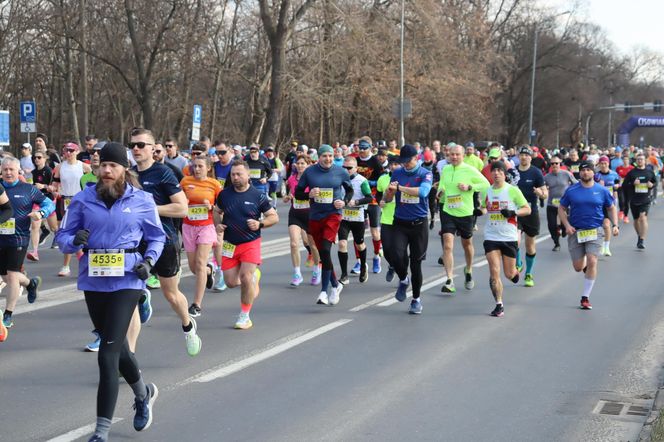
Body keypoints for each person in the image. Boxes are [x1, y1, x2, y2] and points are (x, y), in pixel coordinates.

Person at [56, 142, 164, 442]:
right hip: (94, 279)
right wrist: (73, 241)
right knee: (116, 347)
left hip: (128, 279)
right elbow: (63, 237)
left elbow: (157, 238)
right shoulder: (82, 199)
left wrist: (149, 262)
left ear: (123, 170)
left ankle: (100, 432)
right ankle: (144, 393)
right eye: (102, 165)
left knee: (107, 355)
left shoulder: (142, 200)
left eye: (112, 166)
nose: (106, 170)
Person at [128, 128, 202, 356]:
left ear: (153, 148)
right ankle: (128, 356)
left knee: (171, 294)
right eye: (133, 145)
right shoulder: (128, 175)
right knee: (129, 297)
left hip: (163, 240)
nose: (137, 149)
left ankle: (188, 326)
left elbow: (182, 208)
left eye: (141, 145)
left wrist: (148, 210)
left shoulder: (164, 173)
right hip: (134, 242)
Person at [214, 160, 278, 329]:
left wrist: (260, 224)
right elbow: (216, 211)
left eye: (239, 174)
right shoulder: (224, 194)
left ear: (248, 175)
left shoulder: (258, 196)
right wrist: (217, 225)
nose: (235, 177)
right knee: (230, 282)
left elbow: (274, 217)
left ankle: (244, 316)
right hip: (229, 244)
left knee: (245, 277)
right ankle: (255, 276)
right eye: (233, 174)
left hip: (251, 242)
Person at [295, 144, 353, 306]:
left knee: (326, 250)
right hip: (315, 216)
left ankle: (323, 292)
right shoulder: (310, 172)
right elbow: (298, 193)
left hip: (333, 215)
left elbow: (349, 191)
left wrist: (344, 202)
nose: (328, 159)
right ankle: (335, 286)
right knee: (323, 254)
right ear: (318, 158)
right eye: (324, 156)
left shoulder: (340, 171)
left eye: (330, 156)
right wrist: (309, 194)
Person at [1, 157, 54, 331]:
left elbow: (48, 203)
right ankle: (31, 284)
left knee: (13, 274)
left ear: (19, 171)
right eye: (5, 169)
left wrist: (41, 213)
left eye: (12, 169)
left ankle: (8, 315)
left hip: (19, 238)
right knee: (6, 277)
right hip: (1, 238)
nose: (8, 172)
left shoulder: (28, 189)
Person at [558, 160, 619, 310]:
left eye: (588, 170)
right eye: (583, 170)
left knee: (592, 261)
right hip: (576, 231)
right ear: (580, 173)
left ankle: (585, 297)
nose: (585, 173)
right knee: (578, 267)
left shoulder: (602, 190)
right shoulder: (572, 190)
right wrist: (567, 225)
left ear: (593, 172)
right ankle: (584, 264)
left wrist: (615, 224)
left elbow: (611, 208)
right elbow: (561, 208)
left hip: (595, 230)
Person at [383, 144, 433, 314]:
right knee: (394, 254)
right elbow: (388, 198)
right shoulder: (397, 173)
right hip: (400, 222)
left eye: (408, 161)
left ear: (416, 158)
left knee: (416, 264)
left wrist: (400, 188)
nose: (405, 164)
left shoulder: (425, 173)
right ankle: (403, 280)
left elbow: (423, 193)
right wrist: (389, 193)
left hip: (419, 225)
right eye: (402, 161)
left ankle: (416, 299)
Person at [436, 143, 490, 293]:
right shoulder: (446, 169)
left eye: (457, 154)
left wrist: (470, 187)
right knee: (447, 245)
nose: (454, 157)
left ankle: (469, 269)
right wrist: (440, 191)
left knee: (467, 244)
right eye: (452, 154)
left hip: (465, 213)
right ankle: (449, 280)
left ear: (462, 155)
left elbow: (485, 184)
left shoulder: (470, 170)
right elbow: (443, 184)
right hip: (448, 211)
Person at [480, 161, 531, 317]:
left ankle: (516, 272)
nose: (496, 174)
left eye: (499, 171)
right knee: (494, 271)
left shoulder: (512, 190)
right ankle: (499, 304)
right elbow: (484, 207)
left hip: (508, 236)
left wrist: (513, 212)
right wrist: (478, 211)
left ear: (504, 174)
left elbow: (527, 209)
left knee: (509, 274)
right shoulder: (487, 191)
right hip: (491, 236)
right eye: (493, 171)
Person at [180, 156, 222, 317]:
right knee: (193, 268)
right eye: (194, 166)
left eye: (200, 166)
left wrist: (210, 206)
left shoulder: (214, 184)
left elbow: (222, 206)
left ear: (208, 168)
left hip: (206, 226)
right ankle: (209, 271)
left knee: (199, 263)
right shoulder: (185, 182)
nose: (196, 169)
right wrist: (184, 201)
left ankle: (196, 304)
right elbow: (176, 199)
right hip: (188, 226)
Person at [52, 141, 92, 276]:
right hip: (64, 200)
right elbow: (54, 185)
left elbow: (91, 182)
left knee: (82, 232)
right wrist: (53, 190)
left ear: (77, 152)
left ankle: (83, 260)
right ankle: (66, 266)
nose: (68, 153)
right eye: (66, 150)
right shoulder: (59, 167)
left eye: (71, 150)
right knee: (65, 232)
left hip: (80, 200)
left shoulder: (85, 167)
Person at [283, 154, 321, 286]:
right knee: (294, 243)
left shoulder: (313, 179)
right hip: (295, 213)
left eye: (302, 163)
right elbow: (292, 194)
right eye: (298, 163)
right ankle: (297, 273)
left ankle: (317, 268)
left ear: (308, 165)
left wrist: (311, 196)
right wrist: (288, 197)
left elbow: (318, 195)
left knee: (312, 244)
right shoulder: (292, 179)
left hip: (310, 214)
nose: (300, 166)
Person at [514, 146, 547, 287]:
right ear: (518, 156)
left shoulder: (536, 172)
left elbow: (545, 193)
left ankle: (529, 273)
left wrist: (540, 194)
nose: (524, 157)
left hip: (531, 212)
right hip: (515, 211)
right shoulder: (513, 172)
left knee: (530, 245)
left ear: (531, 157)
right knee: (514, 240)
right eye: (521, 155)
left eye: (526, 155)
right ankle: (518, 262)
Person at [337, 156, 373, 284]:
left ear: (356, 168)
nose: (346, 170)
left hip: (358, 216)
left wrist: (356, 202)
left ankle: (363, 266)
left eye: (349, 168)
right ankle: (344, 275)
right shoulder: (339, 179)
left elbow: (369, 198)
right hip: (344, 217)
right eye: (344, 167)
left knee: (359, 244)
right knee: (342, 244)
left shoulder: (362, 181)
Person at [354, 138, 384, 274]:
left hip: (372, 200)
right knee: (356, 232)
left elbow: (382, 180)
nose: (361, 150)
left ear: (371, 148)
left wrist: (370, 183)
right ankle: (359, 261)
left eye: (364, 148)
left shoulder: (375, 162)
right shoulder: (355, 160)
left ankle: (376, 257)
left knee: (374, 232)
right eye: (360, 147)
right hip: (357, 200)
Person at [27, 149, 59, 261]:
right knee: (35, 226)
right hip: (37, 201)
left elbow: (54, 188)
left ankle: (57, 236)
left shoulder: (49, 171)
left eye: (39, 157)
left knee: (54, 227)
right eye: (35, 157)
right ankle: (35, 252)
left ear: (45, 159)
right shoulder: (33, 172)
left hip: (48, 201)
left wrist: (43, 186)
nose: (36, 159)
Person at [622, 152, 657, 249]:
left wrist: (652, 185)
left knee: (643, 218)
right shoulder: (632, 173)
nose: (640, 161)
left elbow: (655, 182)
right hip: (634, 199)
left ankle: (642, 240)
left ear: (645, 160)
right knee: (636, 220)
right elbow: (624, 185)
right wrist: (633, 183)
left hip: (645, 199)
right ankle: (639, 236)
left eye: (641, 159)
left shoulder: (650, 172)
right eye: (638, 159)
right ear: (636, 161)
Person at [375, 156, 400, 282]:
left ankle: (403, 275)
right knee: (386, 248)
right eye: (392, 164)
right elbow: (378, 194)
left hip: (402, 219)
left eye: (397, 164)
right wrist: (381, 201)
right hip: (386, 218)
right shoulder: (383, 179)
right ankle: (392, 265)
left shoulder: (405, 179)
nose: (394, 166)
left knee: (399, 249)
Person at [544, 155, 576, 251]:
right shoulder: (546, 177)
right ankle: (556, 243)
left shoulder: (566, 174)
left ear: (560, 164)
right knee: (552, 225)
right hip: (552, 204)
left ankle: (563, 227)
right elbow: (541, 187)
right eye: (552, 163)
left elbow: (576, 184)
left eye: (556, 163)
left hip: (565, 205)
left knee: (565, 223)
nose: (554, 165)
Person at [594, 156, 620, 255]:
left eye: (605, 163)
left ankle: (606, 247)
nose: (603, 165)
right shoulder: (596, 176)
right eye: (602, 163)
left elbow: (617, 184)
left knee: (606, 225)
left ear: (608, 164)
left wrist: (617, 187)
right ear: (599, 164)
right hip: (598, 203)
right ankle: (599, 245)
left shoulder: (614, 174)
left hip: (609, 203)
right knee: (597, 227)